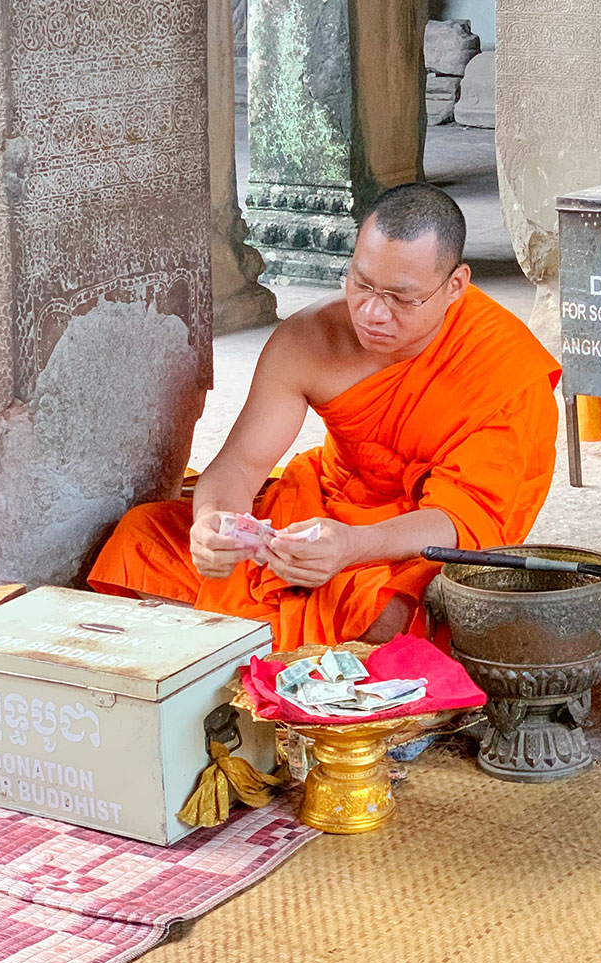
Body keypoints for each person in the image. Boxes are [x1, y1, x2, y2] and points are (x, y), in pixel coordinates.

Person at [88, 183, 560, 649]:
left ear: (454, 286)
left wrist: (351, 547)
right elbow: (241, 464)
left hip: (413, 539)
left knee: (386, 614)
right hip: (323, 508)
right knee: (139, 539)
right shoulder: (308, 341)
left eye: (401, 298)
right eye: (362, 283)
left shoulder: (504, 369)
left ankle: (250, 640)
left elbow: (462, 521)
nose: (373, 312)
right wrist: (216, 524)